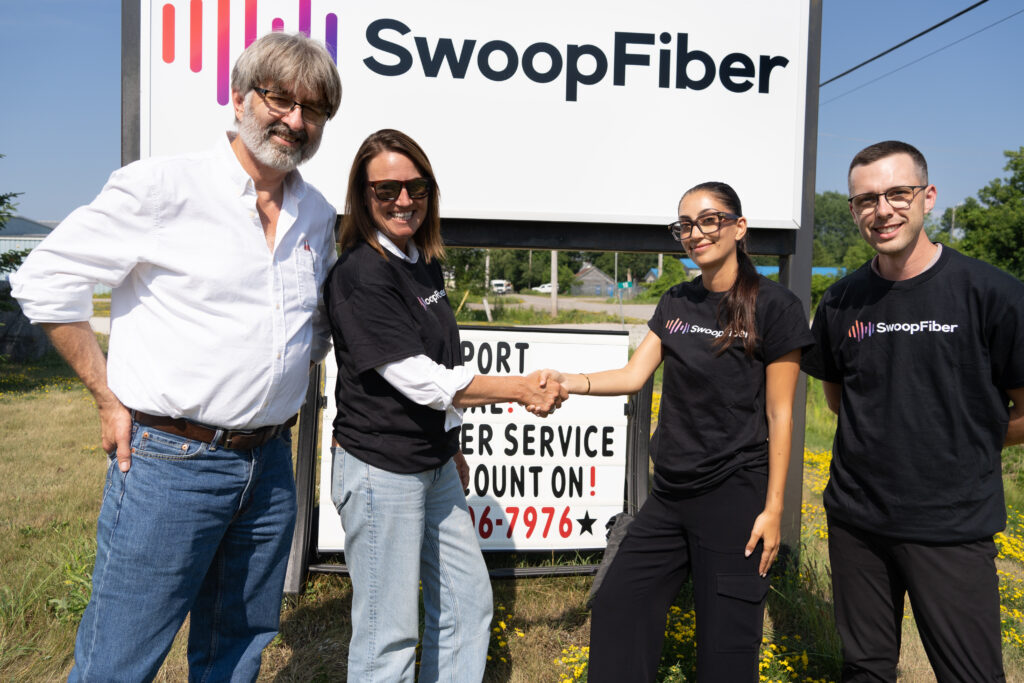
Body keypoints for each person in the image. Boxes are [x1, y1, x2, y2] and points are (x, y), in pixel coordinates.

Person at [10, 32, 342, 681]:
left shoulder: (317, 215)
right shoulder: (163, 188)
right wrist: (106, 396)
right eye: (280, 99)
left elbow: (317, 325)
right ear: (239, 98)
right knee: (121, 656)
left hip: (270, 464)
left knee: (237, 649)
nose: (296, 120)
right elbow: (44, 279)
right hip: (171, 462)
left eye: (313, 109)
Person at [323, 128, 568, 682]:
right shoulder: (360, 274)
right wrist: (519, 388)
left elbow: (442, 355)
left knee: (467, 602)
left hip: (433, 464)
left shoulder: (421, 261)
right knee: (389, 636)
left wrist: (450, 445)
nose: (403, 201)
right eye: (386, 190)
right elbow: (421, 379)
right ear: (362, 196)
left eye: (416, 188)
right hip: (381, 469)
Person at [544, 181, 812, 681]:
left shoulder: (775, 306)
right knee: (619, 606)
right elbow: (633, 375)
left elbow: (782, 416)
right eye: (685, 225)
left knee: (726, 648)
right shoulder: (676, 302)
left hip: (734, 495)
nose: (695, 233)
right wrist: (568, 381)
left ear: (738, 227)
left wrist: (773, 509)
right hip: (669, 496)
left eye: (709, 220)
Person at [801, 140, 1024, 681]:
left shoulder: (993, 293)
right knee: (865, 670)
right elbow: (839, 399)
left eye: (898, 193)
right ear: (853, 210)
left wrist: (963, 439)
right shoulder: (841, 300)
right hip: (856, 521)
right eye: (866, 200)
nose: (882, 210)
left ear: (928, 196)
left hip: (951, 524)